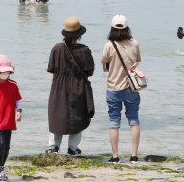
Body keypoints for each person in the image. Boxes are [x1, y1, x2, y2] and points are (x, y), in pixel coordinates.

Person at [46, 17, 95, 155]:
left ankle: (53, 147)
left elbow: (51, 68)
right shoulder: (84, 50)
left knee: (57, 115)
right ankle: (73, 148)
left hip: (59, 86)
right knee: (78, 116)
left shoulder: (57, 48)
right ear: (79, 35)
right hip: (78, 86)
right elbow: (89, 71)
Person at [101, 15, 142, 164]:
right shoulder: (134, 43)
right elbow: (137, 60)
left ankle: (115, 156)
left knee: (114, 121)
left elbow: (105, 65)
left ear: (112, 28)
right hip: (132, 87)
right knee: (134, 120)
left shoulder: (109, 45)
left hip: (113, 87)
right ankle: (134, 156)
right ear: (126, 28)